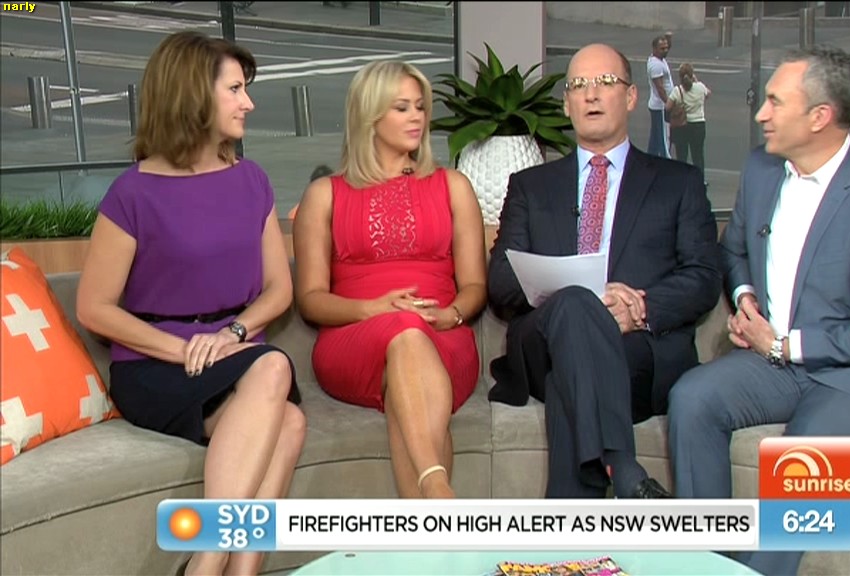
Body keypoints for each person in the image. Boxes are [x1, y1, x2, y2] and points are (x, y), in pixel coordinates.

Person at [667, 45, 850, 576]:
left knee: (805, 454)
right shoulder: (762, 168)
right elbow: (735, 251)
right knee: (693, 397)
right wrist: (746, 297)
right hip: (776, 361)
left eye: (775, 102)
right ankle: (705, 563)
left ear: (820, 116)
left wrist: (781, 343)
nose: (761, 114)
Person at [76, 31, 305, 576]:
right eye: (236, 89)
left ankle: (233, 569)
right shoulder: (133, 193)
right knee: (275, 371)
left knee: (290, 421)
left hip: (234, 355)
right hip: (154, 365)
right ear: (195, 95)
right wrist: (182, 350)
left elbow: (279, 289)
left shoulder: (252, 180)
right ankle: (209, 561)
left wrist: (233, 334)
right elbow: (94, 308)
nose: (249, 103)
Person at [487, 43, 722, 499]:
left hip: (636, 350)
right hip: (542, 342)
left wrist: (640, 308)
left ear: (631, 97)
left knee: (569, 379)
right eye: (578, 85)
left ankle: (576, 523)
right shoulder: (531, 186)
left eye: (604, 83)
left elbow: (703, 275)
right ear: (567, 104)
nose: (591, 94)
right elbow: (501, 281)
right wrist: (585, 299)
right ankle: (622, 463)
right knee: (577, 303)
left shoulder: (678, 182)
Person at [292, 60, 486, 499]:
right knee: (405, 330)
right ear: (370, 116)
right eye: (402, 108)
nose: (417, 117)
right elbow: (311, 299)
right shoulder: (325, 194)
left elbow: (475, 286)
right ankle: (437, 488)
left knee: (410, 348)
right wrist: (374, 308)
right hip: (353, 337)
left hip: (443, 336)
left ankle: (433, 495)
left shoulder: (454, 186)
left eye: (420, 106)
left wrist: (451, 315)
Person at [667, 62, 711, 183]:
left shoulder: (677, 91)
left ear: (680, 77)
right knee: (698, 155)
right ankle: (700, 180)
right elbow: (708, 94)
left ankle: (682, 180)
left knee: (682, 155)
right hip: (699, 125)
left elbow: (668, 106)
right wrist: (696, 80)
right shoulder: (700, 87)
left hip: (682, 126)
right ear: (692, 75)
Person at [645, 34, 673, 158]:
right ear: (654, 49)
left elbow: (666, 47)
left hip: (657, 106)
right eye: (662, 48)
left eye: (666, 48)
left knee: (655, 139)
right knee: (663, 139)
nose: (665, 50)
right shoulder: (656, 65)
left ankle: (649, 162)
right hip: (661, 106)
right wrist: (669, 104)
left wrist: (669, 39)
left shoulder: (659, 59)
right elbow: (660, 88)